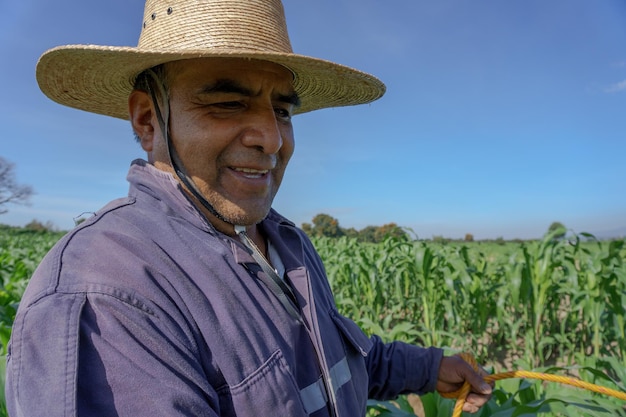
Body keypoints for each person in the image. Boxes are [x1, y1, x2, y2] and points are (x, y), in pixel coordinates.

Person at [5, 1, 492, 416]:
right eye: (227, 103)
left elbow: (333, 359)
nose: (272, 139)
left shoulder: (284, 241)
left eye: (282, 110)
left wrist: (431, 368)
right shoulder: (108, 295)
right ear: (148, 119)